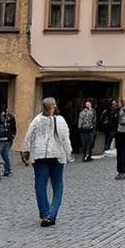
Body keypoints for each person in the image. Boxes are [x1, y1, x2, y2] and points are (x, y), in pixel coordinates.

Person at [21, 97, 72, 227]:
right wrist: (68, 153)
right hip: (56, 156)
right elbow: (65, 139)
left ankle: (45, 213)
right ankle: (51, 214)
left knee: (40, 186)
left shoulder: (36, 120)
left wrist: (25, 151)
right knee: (58, 186)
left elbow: (28, 137)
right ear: (54, 106)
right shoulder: (60, 120)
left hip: (39, 156)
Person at [0, 103, 17, 180]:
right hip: (8, 138)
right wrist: (12, 136)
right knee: (5, 155)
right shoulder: (10, 116)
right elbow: (14, 127)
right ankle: (7, 170)